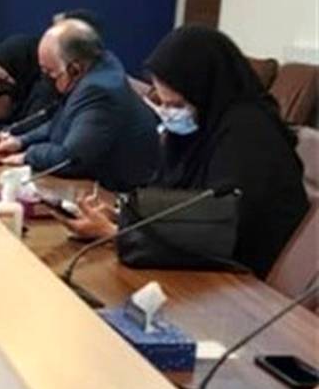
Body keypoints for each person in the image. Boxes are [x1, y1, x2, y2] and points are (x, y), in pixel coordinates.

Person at [65, 27, 308, 278]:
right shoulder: (203, 124)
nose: (169, 114)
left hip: (246, 281)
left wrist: (115, 234)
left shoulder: (249, 133)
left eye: (177, 105)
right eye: (162, 102)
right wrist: (125, 216)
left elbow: (220, 228)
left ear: (203, 92)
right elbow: (176, 203)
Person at [0, 18, 158, 190]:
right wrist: (20, 141)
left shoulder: (99, 91)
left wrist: (28, 156)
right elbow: (61, 122)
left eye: (50, 73)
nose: (46, 80)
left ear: (75, 69)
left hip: (116, 193)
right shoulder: (96, 69)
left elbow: (70, 159)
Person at [0, 34, 58, 138]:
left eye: (5, 79)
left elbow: (30, 129)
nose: (1, 86)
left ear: (18, 66)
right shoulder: (21, 88)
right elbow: (12, 119)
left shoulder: (46, 91)